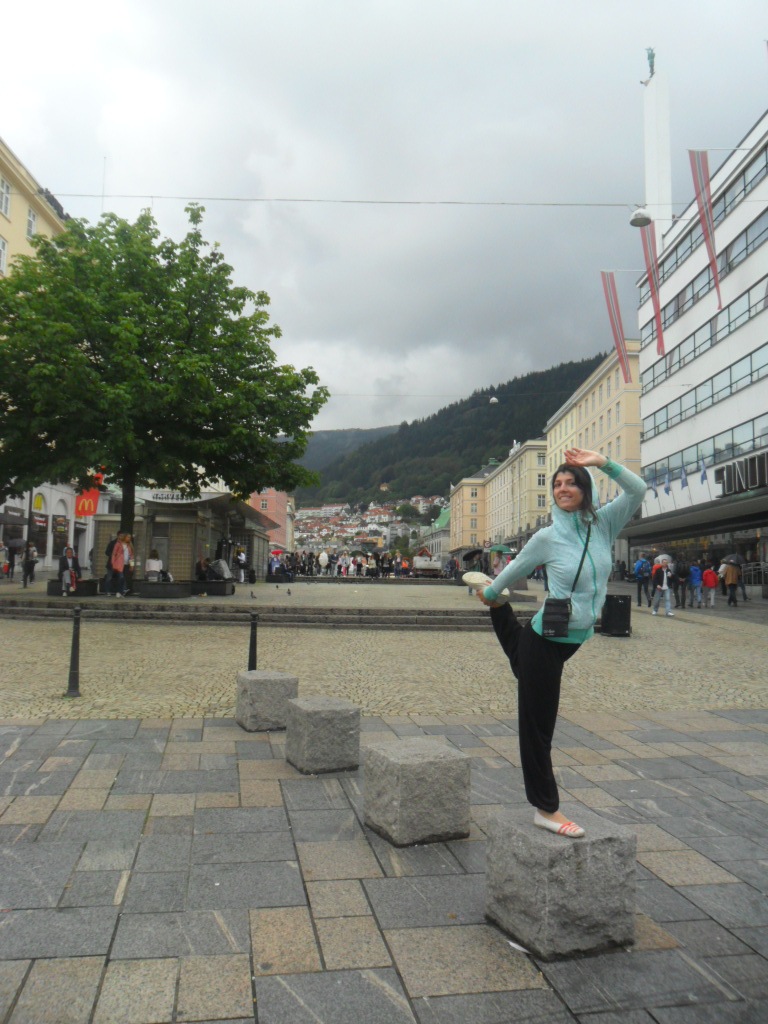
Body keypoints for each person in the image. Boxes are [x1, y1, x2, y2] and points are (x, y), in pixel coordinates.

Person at [474, 448, 646, 839]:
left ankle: (501, 615)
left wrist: (602, 462)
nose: (562, 488)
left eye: (570, 483)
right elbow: (516, 567)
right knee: (538, 724)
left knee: (521, 660)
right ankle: (546, 808)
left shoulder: (604, 524)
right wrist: (493, 591)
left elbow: (637, 490)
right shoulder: (547, 537)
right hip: (546, 638)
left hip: (572, 636)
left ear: (586, 489)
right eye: (556, 484)